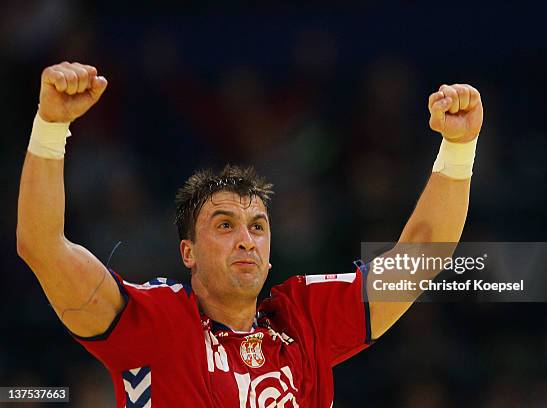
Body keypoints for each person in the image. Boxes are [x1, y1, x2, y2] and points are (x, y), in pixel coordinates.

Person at [16, 61, 483, 407]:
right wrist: (51, 127)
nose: (247, 240)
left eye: (258, 227)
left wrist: (459, 149)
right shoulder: (155, 322)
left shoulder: (304, 320)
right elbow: (42, 246)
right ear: (188, 252)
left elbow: (419, 258)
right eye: (224, 225)